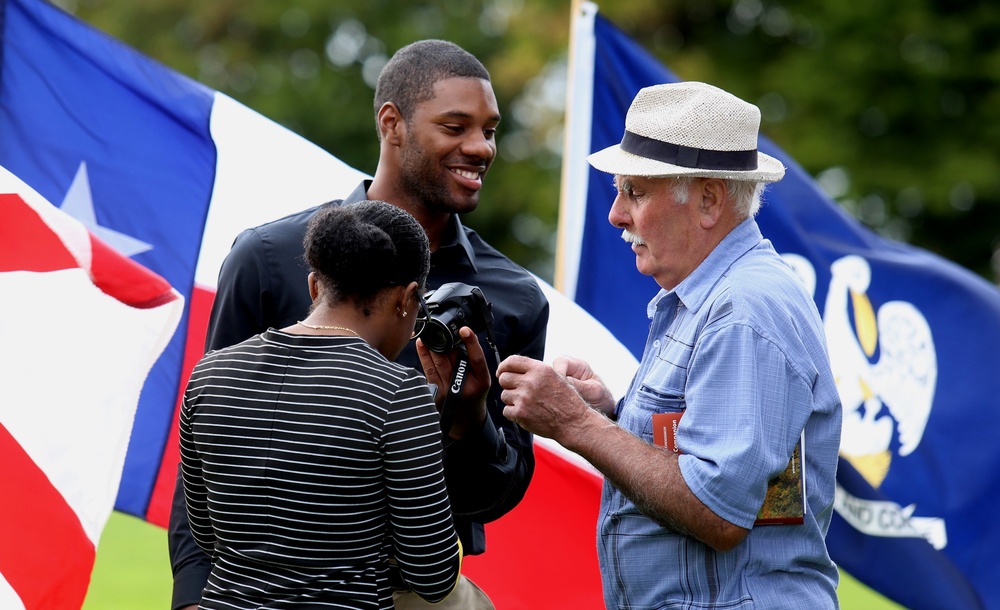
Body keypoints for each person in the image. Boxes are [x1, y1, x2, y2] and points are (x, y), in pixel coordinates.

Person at [169, 39, 549, 610]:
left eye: (490, 130)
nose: (480, 147)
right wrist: (194, 596)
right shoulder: (267, 259)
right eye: (455, 126)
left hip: (419, 591)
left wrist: (468, 423)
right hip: (257, 592)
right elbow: (204, 455)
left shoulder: (513, 297)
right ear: (391, 124)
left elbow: (494, 496)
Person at [497, 81, 843, 609]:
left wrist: (575, 422)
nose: (615, 213)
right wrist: (613, 415)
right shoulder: (720, 296)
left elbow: (719, 510)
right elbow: (714, 459)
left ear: (708, 199)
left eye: (634, 191)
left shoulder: (743, 310)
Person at [180, 201, 481, 609]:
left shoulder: (208, 376)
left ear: (314, 286)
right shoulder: (398, 392)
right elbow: (433, 574)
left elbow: (206, 534)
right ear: (408, 299)